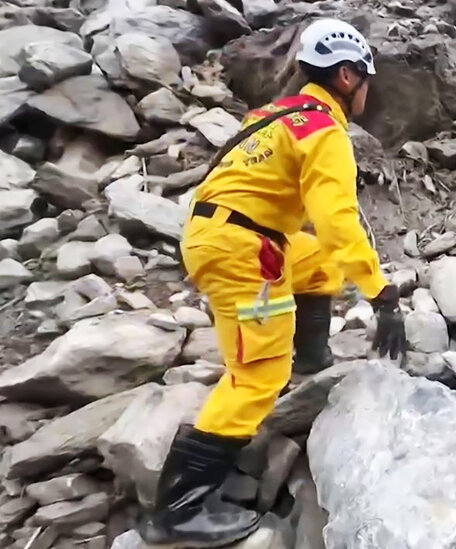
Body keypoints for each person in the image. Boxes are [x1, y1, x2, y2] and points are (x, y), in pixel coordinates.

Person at [136, 19, 406, 547]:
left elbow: (317, 235)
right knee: (257, 374)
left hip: (226, 234)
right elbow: (338, 221)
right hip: (243, 253)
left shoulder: (277, 116)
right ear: (348, 76)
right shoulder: (324, 131)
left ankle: (309, 362)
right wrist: (383, 296)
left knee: (317, 261)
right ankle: (179, 508)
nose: (368, 91)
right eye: (366, 79)